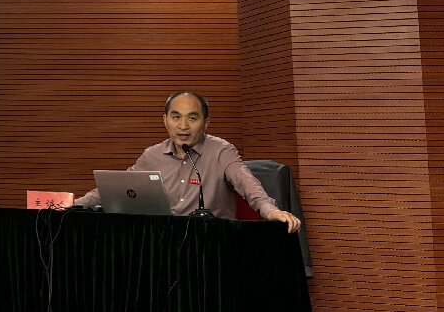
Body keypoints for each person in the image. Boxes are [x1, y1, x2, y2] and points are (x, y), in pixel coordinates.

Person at [70, 91, 301, 231]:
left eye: (192, 118)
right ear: (165, 120)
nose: (183, 126)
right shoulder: (152, 155)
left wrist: (270, 211)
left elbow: (248, 185)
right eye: (176, 117)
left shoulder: (222, 151)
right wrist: (73, 204)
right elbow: (116, 189)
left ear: (206, 122)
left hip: (211, 245)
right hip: (164, 245)